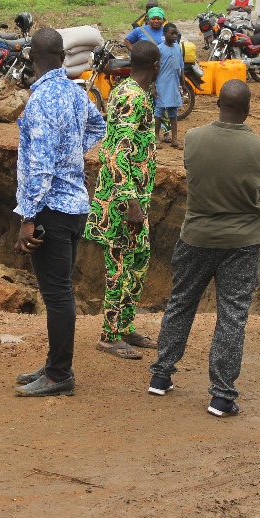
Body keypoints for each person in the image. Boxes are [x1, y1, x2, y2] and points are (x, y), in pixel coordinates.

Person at [147, 79, 260, 417]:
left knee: (181, 303)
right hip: (242, 242)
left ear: (218, 104)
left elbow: (194, 176)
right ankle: (221, 396)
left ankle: (161, 375)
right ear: (248, 109)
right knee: (232, 316)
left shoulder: (193, 138)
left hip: (196, 236)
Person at [13, 28, 106, 397]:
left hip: (50, 208)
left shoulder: (39, 101)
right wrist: (73, 155)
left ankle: (59, 375)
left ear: (31, 56)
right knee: (61, 290)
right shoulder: (75, 91)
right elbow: (99, 125)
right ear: (63, 56)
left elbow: (39, 167)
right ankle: (55, 364)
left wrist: (27, 218)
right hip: (75, 206)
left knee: (57, 295)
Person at [85, 40, 161, 361]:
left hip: (134, 199)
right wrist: (130, 202)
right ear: (156, 66)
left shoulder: (133, 92)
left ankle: (125, 327)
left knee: (138, 262)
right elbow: (117, 152)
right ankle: (108, 336)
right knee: (119, 267)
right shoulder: (131, 97)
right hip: (121, 203)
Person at [154, 23, 183, 147]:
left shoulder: (178, 48)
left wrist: (183, 83)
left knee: (173, 112)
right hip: (162, 84)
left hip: (174, 84)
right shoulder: (159, 49)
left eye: (176, 34)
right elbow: (155, 68)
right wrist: (153, 86)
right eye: (172, 34)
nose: (174, 36)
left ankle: (174, 138)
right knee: (159, 111)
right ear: (164, 34)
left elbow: (181, 67)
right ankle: (156, 136)